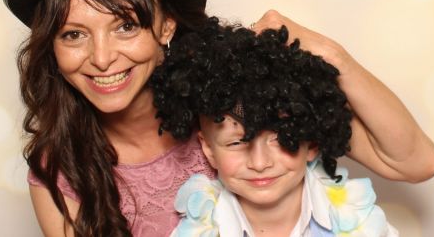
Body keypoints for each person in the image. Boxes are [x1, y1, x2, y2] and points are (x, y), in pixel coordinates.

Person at [4, 0, 434, 237]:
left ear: (166, 24)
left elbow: (416, 162)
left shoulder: (230, 91)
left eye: (125, 26)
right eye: (73, 34)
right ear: (51, 46)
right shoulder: (61, 170)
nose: (101, 58)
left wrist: (330, 55)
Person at [152, 18, 399, 236]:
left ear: (312, 142)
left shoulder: (366, 226)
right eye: (236, 142)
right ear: (208, 151)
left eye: (281, 138)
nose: (260, 164)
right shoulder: (192, 231)